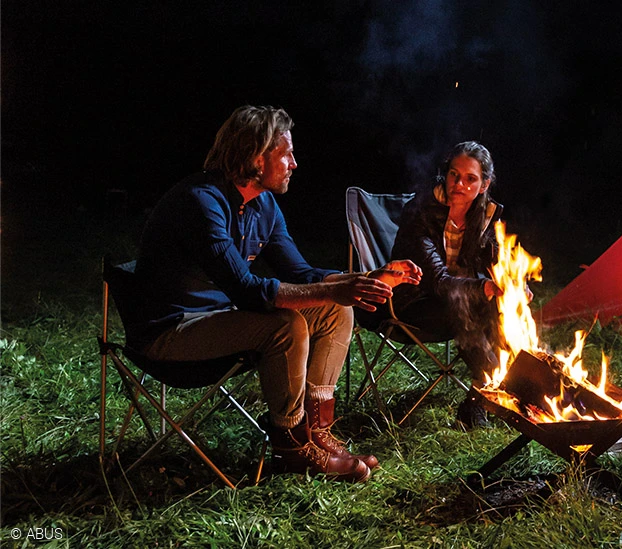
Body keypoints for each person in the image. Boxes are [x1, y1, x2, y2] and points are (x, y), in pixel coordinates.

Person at [129, 105, 422, 482]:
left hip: (219, 319)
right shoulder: (202, 202)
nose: (294, 164)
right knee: (286, 325)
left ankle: (316, 434)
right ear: (256, 158)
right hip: (170, 332)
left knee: (335, 310)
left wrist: (364, 278)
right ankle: (292, 447)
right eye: (286, 154)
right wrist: (340, 287)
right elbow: (248, 290)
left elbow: (302, 274)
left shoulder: (263, 205)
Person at [384, 141, 507, 428]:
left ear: (484, 185)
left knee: (498, 306)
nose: (459, 184)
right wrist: (484, 289)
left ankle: (477, 402)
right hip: (412, 301)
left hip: (457, 300)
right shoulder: (421, 212)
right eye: (454, 174)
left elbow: (498, 264)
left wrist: (512, 285)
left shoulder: (485, 216)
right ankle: (497, 388)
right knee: (465, 304)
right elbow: (437, 282)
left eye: (470, 179)